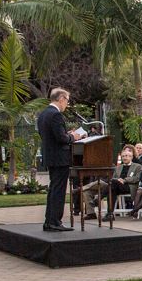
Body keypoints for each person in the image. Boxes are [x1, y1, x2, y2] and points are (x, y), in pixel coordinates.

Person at [36, 87, 82, 231]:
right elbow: (61, 138)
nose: (67, 104)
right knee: (58, 190)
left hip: (51, 156)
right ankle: (55, 222)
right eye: (67, 101)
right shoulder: (55, 115)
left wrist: (65, 134)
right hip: (59, 158)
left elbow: (52, 135)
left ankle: (49, 221)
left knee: (53, 189)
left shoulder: (44, 114)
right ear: (61, 98)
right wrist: (72, 137)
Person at [81, 146, 142, 220]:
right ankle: (110, 214)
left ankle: (98, 200)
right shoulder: (118, 167)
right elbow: (113, 178)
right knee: (112, 189)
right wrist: (118, 180)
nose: (124, 158)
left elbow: (137, 178)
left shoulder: (137, 166)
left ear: (131, 157)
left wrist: (124, 180)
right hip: (116, 186)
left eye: (126, 156)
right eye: (123, 156)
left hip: (129, 186)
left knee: (112, 184)